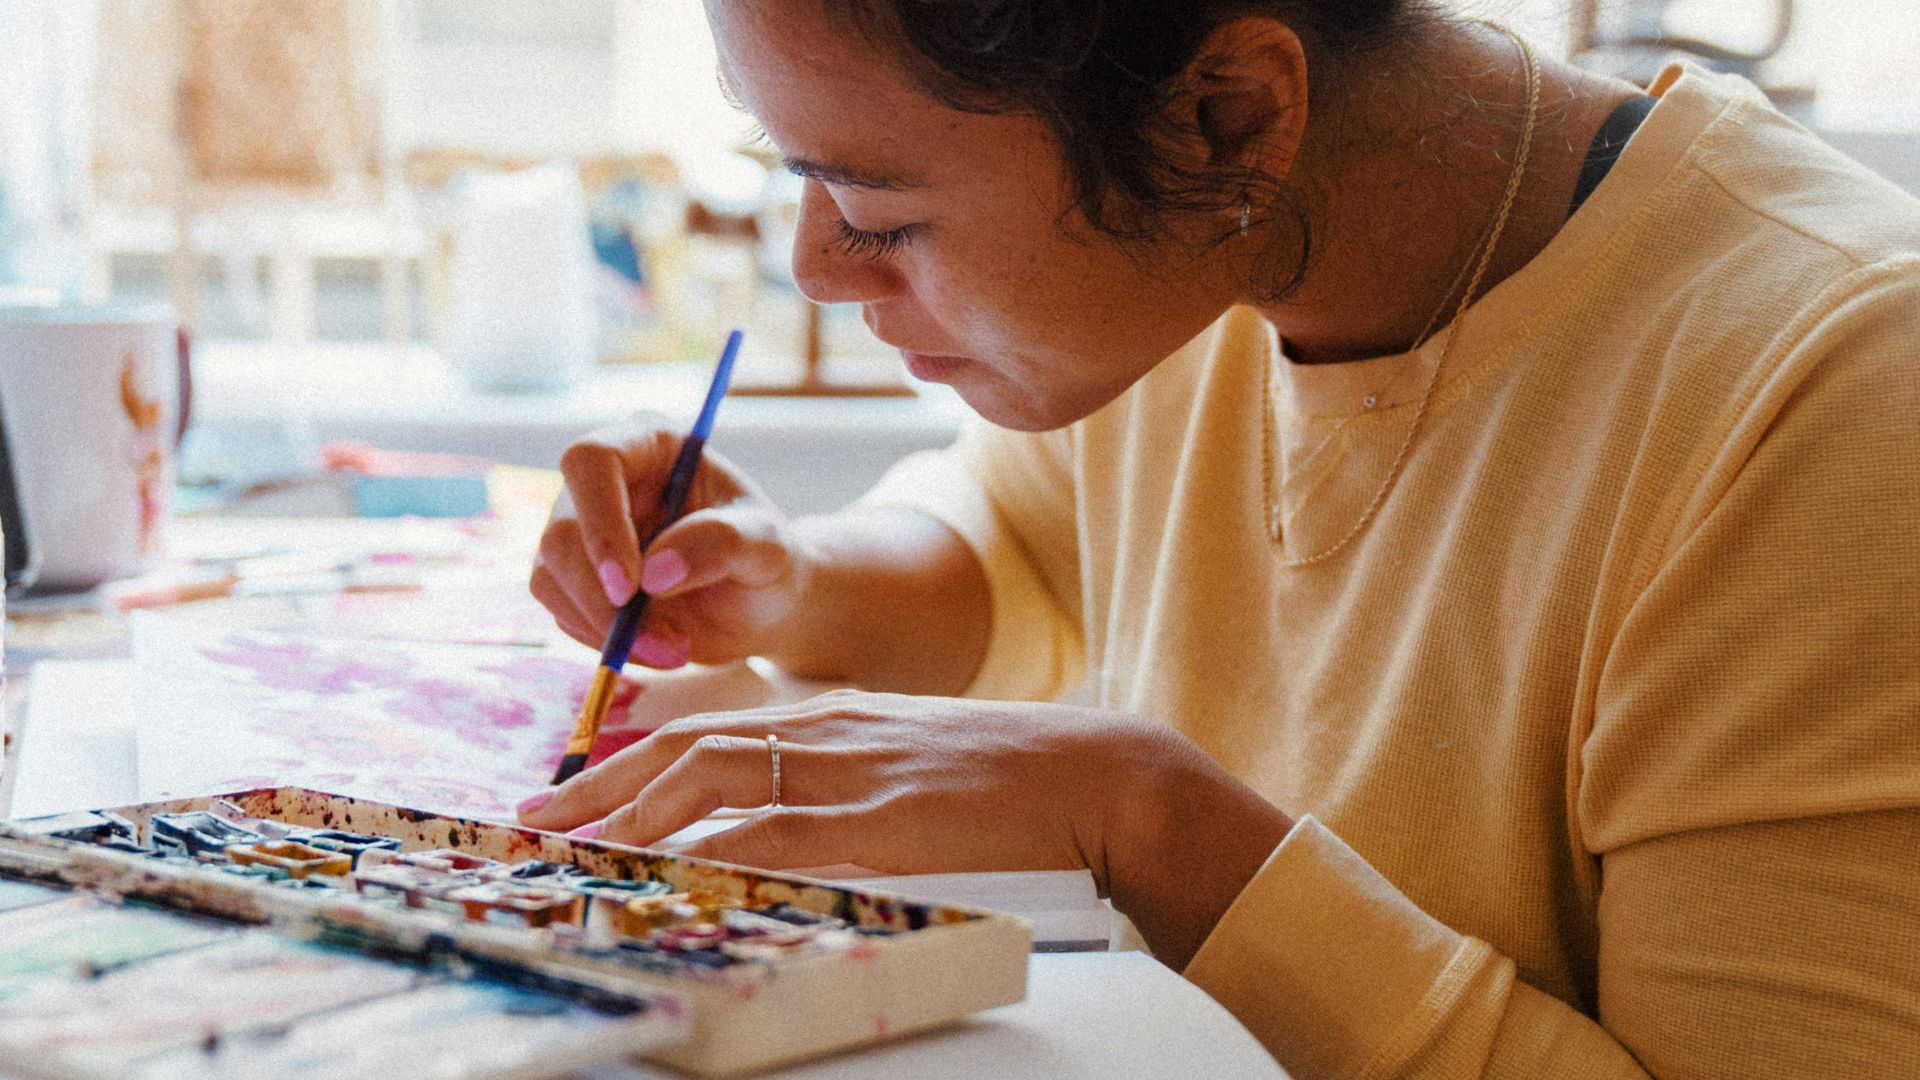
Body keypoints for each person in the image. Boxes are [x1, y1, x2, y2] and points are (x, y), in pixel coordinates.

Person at [518, 2, 1920, 1075]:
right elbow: (1012, 545)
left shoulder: (1832, 392)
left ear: (1229, 115)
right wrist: (792, 580)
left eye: (879, 210)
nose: (815, 269)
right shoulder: (1213, 257)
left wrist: (1149, 819)